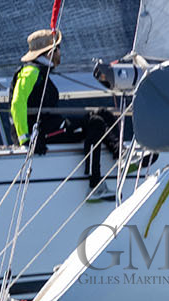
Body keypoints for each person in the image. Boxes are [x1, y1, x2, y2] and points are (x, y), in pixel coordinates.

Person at [9, 30, 118, 186]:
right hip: (41, 134)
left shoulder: (40, 72)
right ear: (50, 52)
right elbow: (17, 104)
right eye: (58, 48)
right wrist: (26, 140)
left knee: (103, 114)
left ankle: (121, 157)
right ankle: (95, 184)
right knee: (96, 123)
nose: (60, 52)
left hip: (52, 127)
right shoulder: (30, 72)